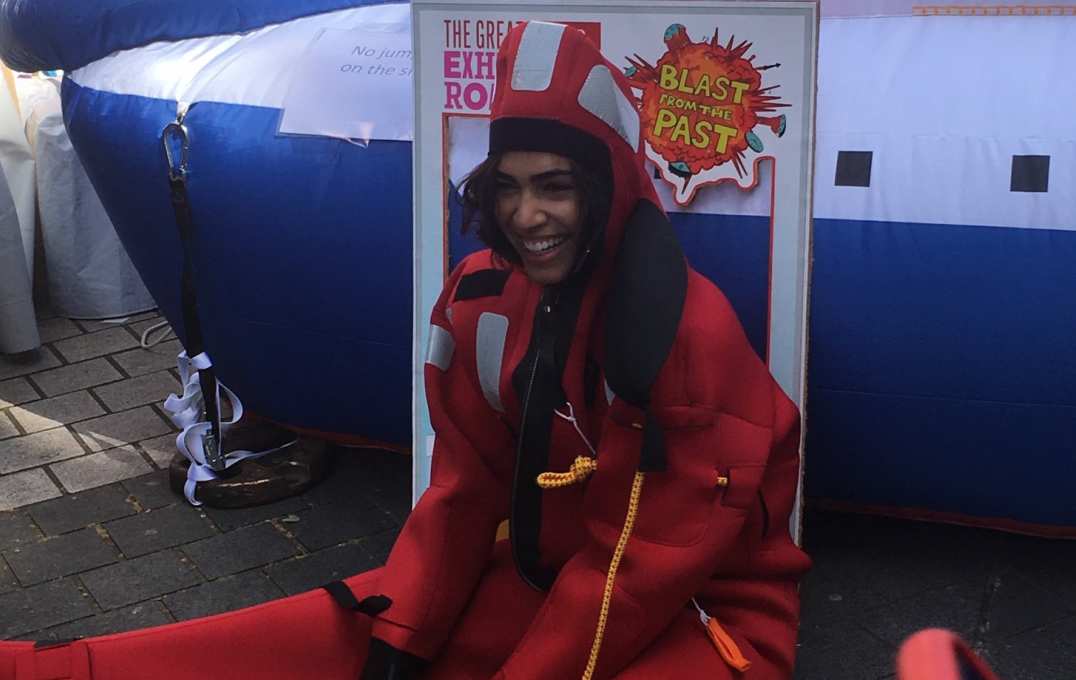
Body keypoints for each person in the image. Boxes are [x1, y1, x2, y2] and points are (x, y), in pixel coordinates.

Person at [361, 20, 810, 680]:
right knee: (323, 642)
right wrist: (400, 636)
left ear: (606, 189)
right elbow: (463, 489)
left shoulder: (683, 337)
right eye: (507, 186)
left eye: (555, 186)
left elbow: (644, 565)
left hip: (703, 607)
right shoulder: (479, 299)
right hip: (550, 578)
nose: (524, 216)